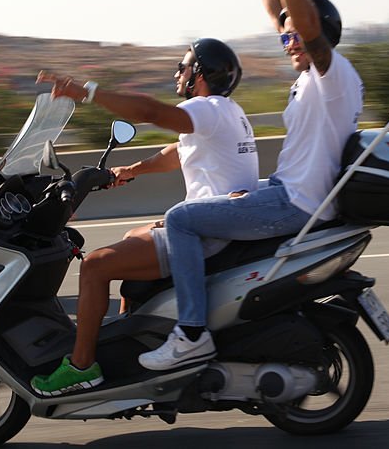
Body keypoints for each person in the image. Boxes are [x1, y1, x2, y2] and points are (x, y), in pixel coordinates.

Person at [138, 0, 363, 371]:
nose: (289, 43)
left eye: (296, 38)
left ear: (319, 35)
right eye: (285, 40)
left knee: (181, 219)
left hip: (298, 203)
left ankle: (191, 334)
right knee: (211, 204)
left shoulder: (332, 75)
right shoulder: (310, 79)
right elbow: (283, 18)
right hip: (285, 191)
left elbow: (304, 26)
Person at [29, 38, 258, 396]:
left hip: (205, 232)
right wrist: (133, 169)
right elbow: (180, 153)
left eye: (183, 66)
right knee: (134, 234)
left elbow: (149, 111)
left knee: (94, 267)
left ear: (199, 73)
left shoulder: (207, 109)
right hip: (217, 221)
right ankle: (131, 340)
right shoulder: (227, 111)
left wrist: (86, 92)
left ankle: (81, 366)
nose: (177, 73)